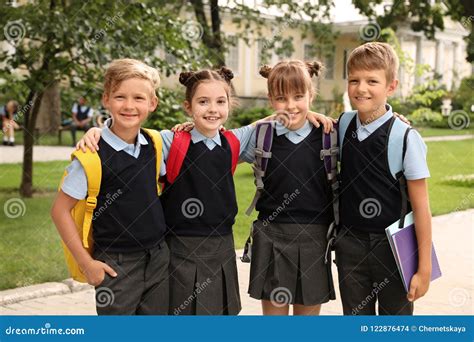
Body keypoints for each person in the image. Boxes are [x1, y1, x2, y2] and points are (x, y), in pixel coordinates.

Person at [77, 66, 333, 315]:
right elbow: (130, 132)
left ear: (229, 105)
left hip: (221, 249)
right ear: (188, 107)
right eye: (203, 102)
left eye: (220, 102)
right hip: (178, 250)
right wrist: (99, 130)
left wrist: (311, 113)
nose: (212, 109)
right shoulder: (168, 141)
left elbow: (278, 117)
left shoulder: (234, 140)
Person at [51, 58, 170, 315]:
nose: (129, 105)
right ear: (106, 100)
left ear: (152, 103)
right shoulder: (91, 155)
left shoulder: (156, 142)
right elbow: (59, 211)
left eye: (139, 98)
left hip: (159, 257)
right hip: (116, 265)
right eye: (120, 97)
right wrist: (87, 264)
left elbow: (203, 129)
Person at [336, 42, 432, 315]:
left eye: (372, 81)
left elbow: (422, 208)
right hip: (350, 245)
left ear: (391, 86)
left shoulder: (405, 138)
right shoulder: (343, 125)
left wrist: (423, 269)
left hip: (394, 249)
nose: (361, 88)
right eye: (354, 80)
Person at [241, 60, 336, 315]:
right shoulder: (261, 136)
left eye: (299, 96)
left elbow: (369, 128)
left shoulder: (329, 134)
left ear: (311, 96)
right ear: (271, 100)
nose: (291, 105)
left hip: (315, 238)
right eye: (281, 98)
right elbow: (217, 141)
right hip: (272, 235)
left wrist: (394, 115)